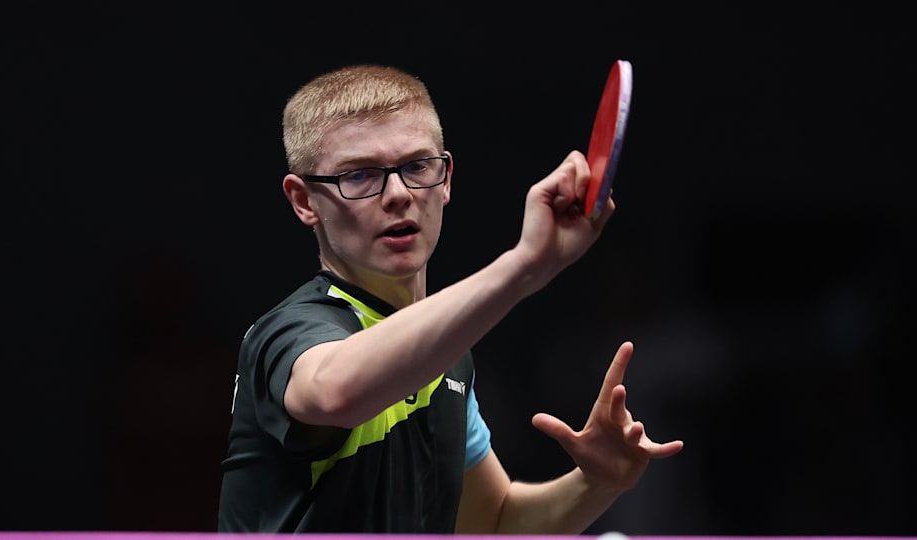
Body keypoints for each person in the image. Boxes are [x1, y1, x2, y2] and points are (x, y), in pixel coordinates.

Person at [217, 63, 683, 533]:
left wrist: (600, 481)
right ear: (304, 201)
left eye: (417, 166)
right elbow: (335, 391)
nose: (397, 194)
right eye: (358, 175)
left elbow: (495, 524)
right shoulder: (288, 333)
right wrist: (524, 266)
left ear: (446, 179)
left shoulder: (446, 357)